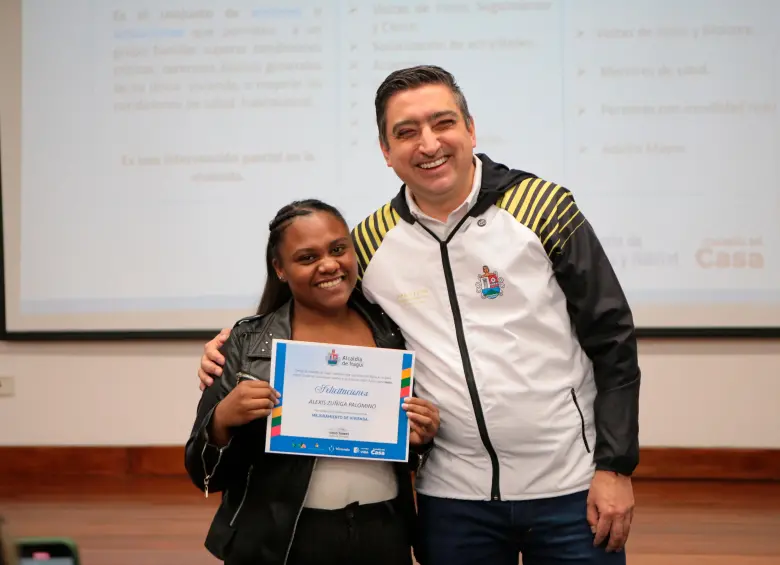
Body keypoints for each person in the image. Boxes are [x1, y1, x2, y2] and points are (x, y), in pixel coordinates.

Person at [198, 65, 641, 565]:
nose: (428, 144)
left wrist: (616, 467)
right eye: (406, 132)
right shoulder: (370, 241)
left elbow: (614, 341)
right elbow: (314, 297)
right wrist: (233, 342)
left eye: (443, 123)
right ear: (386, 152)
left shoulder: (544, 207)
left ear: (470, 129)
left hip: (570, 486)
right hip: (452, 498)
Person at [185, 199, 440, 565]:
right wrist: (223, 419)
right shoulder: (245, 344)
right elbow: (204, 473)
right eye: (307, 258)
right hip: (281, 539)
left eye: (339, 249)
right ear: (280, 269)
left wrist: (421, 437)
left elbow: (409, 453)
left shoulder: (393, 332)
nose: (329, 265)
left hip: (382, 532)